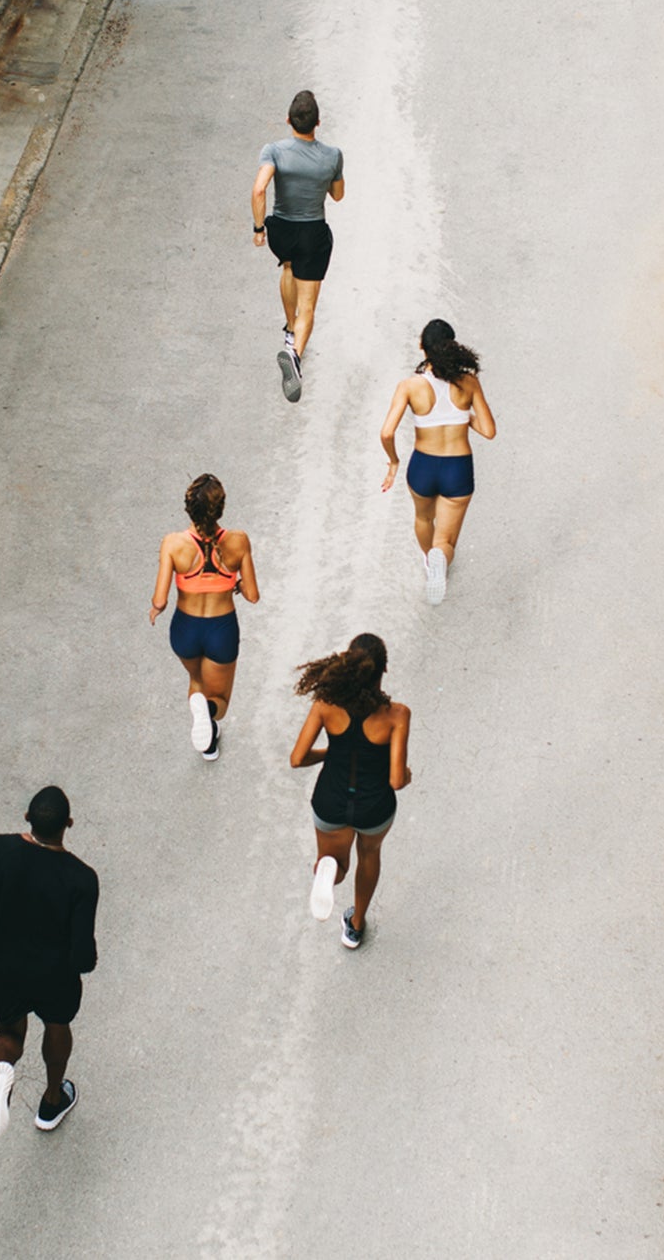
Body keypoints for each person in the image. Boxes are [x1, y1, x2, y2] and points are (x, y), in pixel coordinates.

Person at [0, 787, 99, 1136]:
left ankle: (3, 1066)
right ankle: (52, 1101)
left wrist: (3, 927)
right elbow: (83, 957)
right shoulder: (82, 879)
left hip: (1, 966)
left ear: (27, 817)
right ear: (68, 824)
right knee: (56, 1026)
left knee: (9, 1032)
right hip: (53, 976)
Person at [287, 634, 411, 949]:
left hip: (330, 799)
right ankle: (355, 926)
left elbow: (297, 758)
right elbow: (396, 780)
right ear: (384, 670)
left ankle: (329, 869)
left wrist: (330, 753)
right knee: (369, 854)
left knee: (336, 861)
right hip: (374, 806)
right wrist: (407, 775)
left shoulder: (326, 705)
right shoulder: (396, 715)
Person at [378, 320, 497, 604]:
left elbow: (387, 432)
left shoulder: (409, 386)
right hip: (457, 468)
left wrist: (393, 462)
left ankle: (430, 563)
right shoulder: (468, 383)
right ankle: (439, 558)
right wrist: (463, 416)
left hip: (423, 466)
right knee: (446, 541)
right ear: (453, 345)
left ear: (422, 347)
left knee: (422, 517)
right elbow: (489, 431)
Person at [151, 474, 262, 758]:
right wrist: (235, 583)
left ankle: (208, 742)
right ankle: (208, 715)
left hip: (184, 629)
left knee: (197, 681)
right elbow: (252, 595)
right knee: (219, 700)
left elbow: (160, 600)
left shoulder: (172, 543)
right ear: (220, 509)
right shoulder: (238, 541)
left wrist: (155, 610)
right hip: (220, 630)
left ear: (188, 508)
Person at [251, 90, 345, 403]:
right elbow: (338, 195)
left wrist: (259, 228)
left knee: (288, 265)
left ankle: (290, 330)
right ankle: (295, 355)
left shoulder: (273, 150)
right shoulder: (332, 156)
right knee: (309, 305)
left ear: (288, 120)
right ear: (318, 123)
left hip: (281, 231)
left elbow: (259, 189)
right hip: (312, 232)